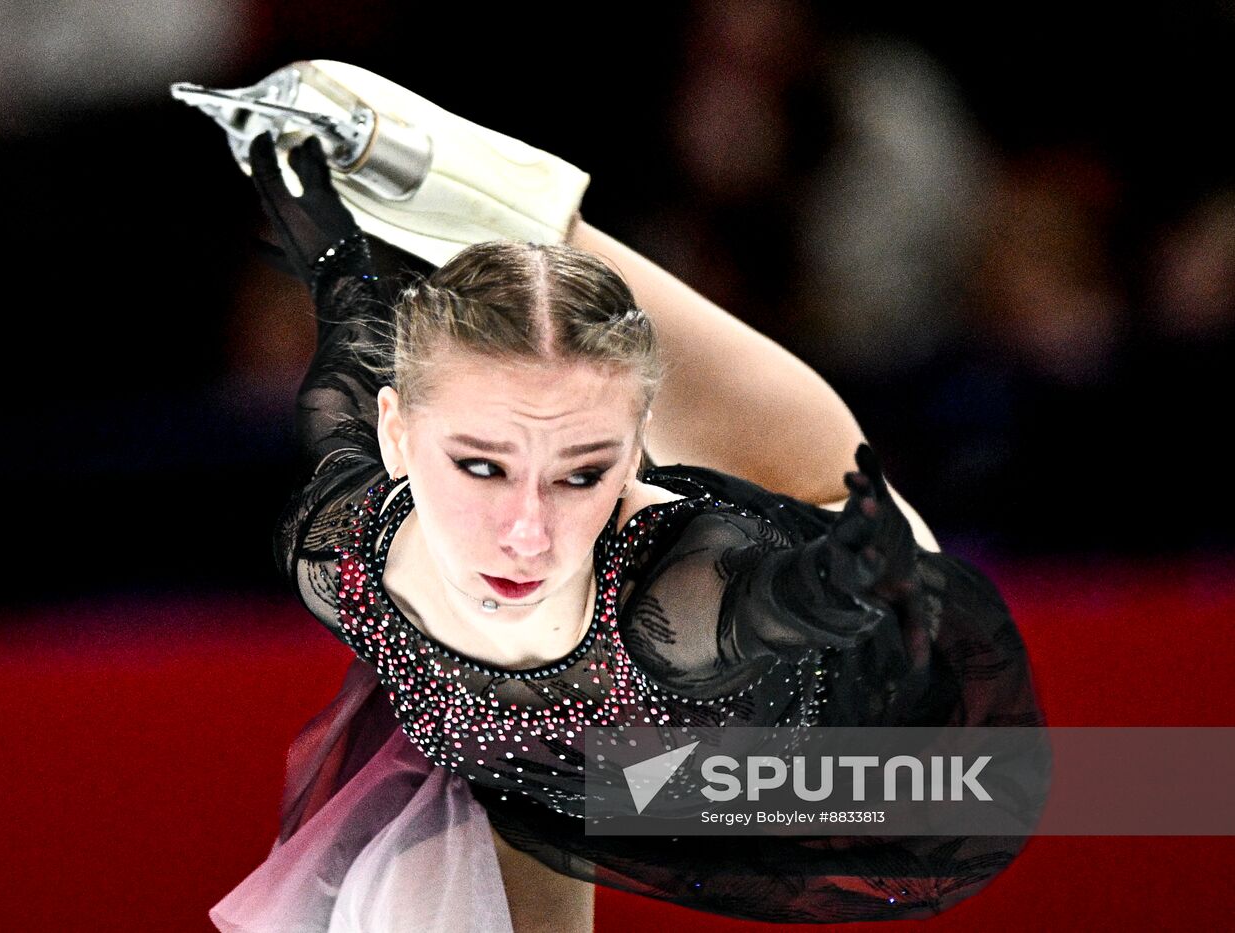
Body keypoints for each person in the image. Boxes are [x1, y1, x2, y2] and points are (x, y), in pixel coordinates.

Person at [203, 63, 1044, 933]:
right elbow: (344, 377)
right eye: (481, 467)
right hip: (588, 774)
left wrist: (824, 585)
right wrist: (330, 250)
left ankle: (450, 170)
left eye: (581, 473)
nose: (527, 533)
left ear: (637, 454)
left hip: (888, 742)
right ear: (398, 436)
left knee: (586, 310)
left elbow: (736, 611)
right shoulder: (343, 548)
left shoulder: (665, 598)